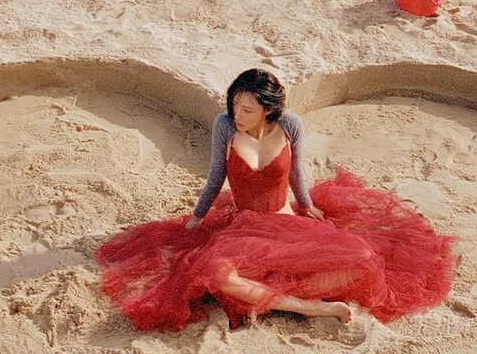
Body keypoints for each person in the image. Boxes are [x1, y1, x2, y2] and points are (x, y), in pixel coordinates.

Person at [95, 69, 458, 332]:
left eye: (247, 109)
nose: (238, 115)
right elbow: (215, 176)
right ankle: (308, 307)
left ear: (267, 109)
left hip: (286, 220)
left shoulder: (290, 125)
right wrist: (198, 217)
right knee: (217, 274)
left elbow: (297, 172)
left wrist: (307, 205)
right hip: (243, 226)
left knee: (364, 261)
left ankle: (268, 297)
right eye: (235, 105)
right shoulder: (224, 125)